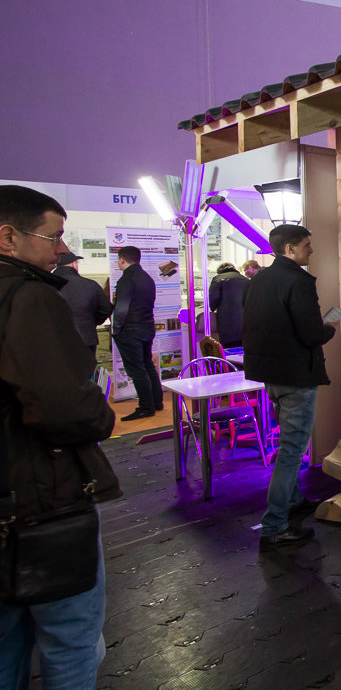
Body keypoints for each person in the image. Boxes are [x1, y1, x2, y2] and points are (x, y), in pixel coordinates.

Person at [0, 185, 121, 689]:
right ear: (8, 237)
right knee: (72, 641)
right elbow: (63, 406)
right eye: (52, 237)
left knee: (7, 643)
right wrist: (100, 414)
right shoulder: (30, 298)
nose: (61, 249)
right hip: (42, 498)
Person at [242, 225, 337, 551]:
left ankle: (293, 500)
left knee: (288, 443)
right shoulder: (298, 281)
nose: (311, 250)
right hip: (296, 375)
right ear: (290, 249)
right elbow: (311, 334)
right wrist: (329, 328)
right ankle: (275, 526)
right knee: (292, 450)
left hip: (270, 375)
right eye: (307, 245)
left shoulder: (258, 280)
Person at [112, 245, 163, 420]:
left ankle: (146, 407)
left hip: (130, 330)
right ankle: (156, 402)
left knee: (137, 370)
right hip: (147, 327)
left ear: (122, 260)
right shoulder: (147, 278)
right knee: (147, 365)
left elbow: (121, 308)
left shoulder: (126, 280)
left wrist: (116, 329)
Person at [52, 251, 113, 359]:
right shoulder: (90, 285)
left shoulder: (45, 284)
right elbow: (106, 308)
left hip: (55, 340)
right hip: (86, 338)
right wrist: (92, 322)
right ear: (74, 264)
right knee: (85, 369)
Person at [209, 262, 250, 348]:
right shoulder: (245, 280)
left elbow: (213, 299)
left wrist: (212, 308)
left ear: (219, 271)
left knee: (228, 349)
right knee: (243, 348)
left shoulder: (217, 279)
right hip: (245, 321)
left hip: (226, 320)